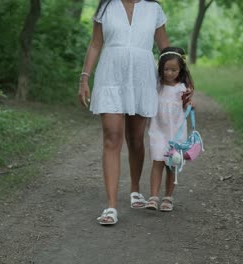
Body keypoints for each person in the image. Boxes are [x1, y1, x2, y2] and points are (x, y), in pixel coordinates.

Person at [78, 0, 171, 225]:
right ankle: (110, 206)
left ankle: (135, 189)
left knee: (136, 139)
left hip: (142, 78)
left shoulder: (154, 9)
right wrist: (84, 78)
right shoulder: (106, 7)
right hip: (110, 76)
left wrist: (184, 80)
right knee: (112, 137)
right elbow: (95, 44)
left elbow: (165, 48)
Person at [145, 47, 194, 212]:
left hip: (176, 134)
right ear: (161, 68)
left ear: (180, 70)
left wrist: (189, 104)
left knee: (172, 165)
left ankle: (168, 197)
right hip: (157, 130)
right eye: (166, 69)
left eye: (174, 69)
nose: (169, 73)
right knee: (157, 162)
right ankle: (153, 196)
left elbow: (187, 107)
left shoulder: (181, 88)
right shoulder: (157, 86)